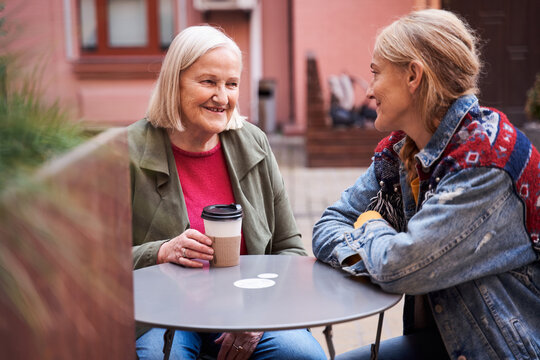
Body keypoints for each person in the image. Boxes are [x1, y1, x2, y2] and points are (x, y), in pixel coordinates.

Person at [312, 9, 539, 360]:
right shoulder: (400, 152)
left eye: (375, 73)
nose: (369, 90)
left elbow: (397, 267)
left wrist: (372, 226)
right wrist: (376, 258)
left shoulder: (486, 160)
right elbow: (328, 225)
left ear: (413, 75)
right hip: (446, 343)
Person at [129, 25, 326, 360]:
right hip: (167, 312)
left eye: (231, 84)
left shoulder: (254, 143)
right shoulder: (130, 151)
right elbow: (95, 266)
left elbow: (289, 249)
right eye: (208, 82)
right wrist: (160, 252)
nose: (222, 97)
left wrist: (259, 314)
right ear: (174, 83)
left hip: (250, 305)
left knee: (303, 355)